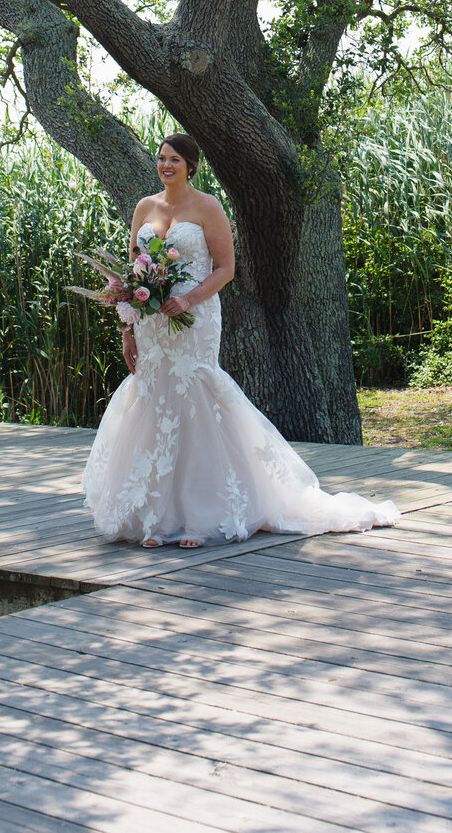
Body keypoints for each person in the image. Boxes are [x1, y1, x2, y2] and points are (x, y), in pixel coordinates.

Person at [82, 131, 399, 548]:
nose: (166, 166)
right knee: (155, 398)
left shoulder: (207, 207)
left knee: (195, 396)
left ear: (191, 165)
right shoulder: (144, 207)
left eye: (175, 159)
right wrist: (128, 329)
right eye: (162, 158)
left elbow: (226, 268)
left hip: (194, 317)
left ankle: (200, 518)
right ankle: (155, 520)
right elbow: (132, 274)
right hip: (151, 322)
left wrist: (188, 299)